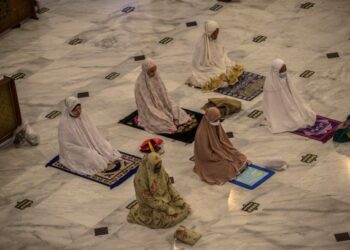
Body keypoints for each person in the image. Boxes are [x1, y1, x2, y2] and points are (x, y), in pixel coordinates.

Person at [58, 96, 121, 176]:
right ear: (70, 110)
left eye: (79, 108)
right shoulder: (64, 123)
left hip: (91, 142)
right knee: (92, 156)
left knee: (106, 147)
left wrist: (95, 143)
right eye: (75, 110)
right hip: (76, 149)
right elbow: (65, 144)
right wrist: (84, 148)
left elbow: (93, 131)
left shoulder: (83, 115)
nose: (78, 111)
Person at [127, 152, 190, 229]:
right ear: (149, 166)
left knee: (185, 208)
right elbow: (149, 200)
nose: (159, 169)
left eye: (160, 165)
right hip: (151, 206)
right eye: (156, 167)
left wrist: (177, 198)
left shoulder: (159, 169)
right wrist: (166, 208)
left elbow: (168, 185)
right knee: (166, 220)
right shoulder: (140, 180)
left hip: (165, 199)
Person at [134, 59, 192, 134]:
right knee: (162, 120)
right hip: (151, 108)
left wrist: (166, 105)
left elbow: (164, 93)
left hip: (163, 104)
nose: (153, 73)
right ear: (145, 70)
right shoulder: (140, 83)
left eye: (154, 71)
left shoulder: (156, 76)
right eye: (151, 71)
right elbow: (145, 103)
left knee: (176, 110)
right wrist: (157, 109)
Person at [193, 107, 249, 185]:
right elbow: (204, 154)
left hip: (221, 150)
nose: (217, 122)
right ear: (209, 119)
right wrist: (220, 155)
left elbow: (224, 141)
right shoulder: (201, 134)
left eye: (218, 119)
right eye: (215, 120)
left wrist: (225, 151)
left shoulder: (216, 125)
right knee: (226, 166)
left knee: (239, 156)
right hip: (210, 158)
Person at [263, 59, 316, 133]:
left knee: (305, 114)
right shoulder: (270, 84)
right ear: (276, 71)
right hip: (278, 108)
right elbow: (273, 102)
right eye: (282, 71)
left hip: (289, 101)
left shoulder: (285, 76)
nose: (284, 73)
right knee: (296, 122)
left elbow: (292, 90)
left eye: (285, 70)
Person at [187, 20, 244, 91]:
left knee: (230, 69)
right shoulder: (201, 45)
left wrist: (225, 63)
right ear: (209, 32)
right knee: (218, 77)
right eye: (215, 33)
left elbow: (222, 54)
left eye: (217, 32)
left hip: (220, 63)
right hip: (207, 68)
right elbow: (200, 65)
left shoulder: (218, 39)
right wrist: (217, 67)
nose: (216, 35)